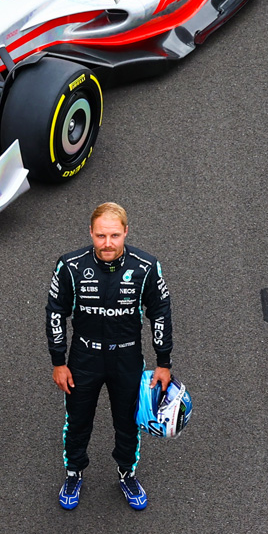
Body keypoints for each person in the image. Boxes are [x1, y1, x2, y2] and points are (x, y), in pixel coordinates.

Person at [47, 201, 172, 511]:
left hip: (127, 358)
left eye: (114, 235)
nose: (107, 243)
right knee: (77, 422)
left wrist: (164, 362)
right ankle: (74, 473)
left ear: (126, 232)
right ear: (91, 232)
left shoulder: (145, 266)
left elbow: (161, 314)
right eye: (101, 236)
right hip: (83, 358)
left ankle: (127, 474)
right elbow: (55, 314)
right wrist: (58, 362)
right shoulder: (70, 266)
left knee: (129, 422)